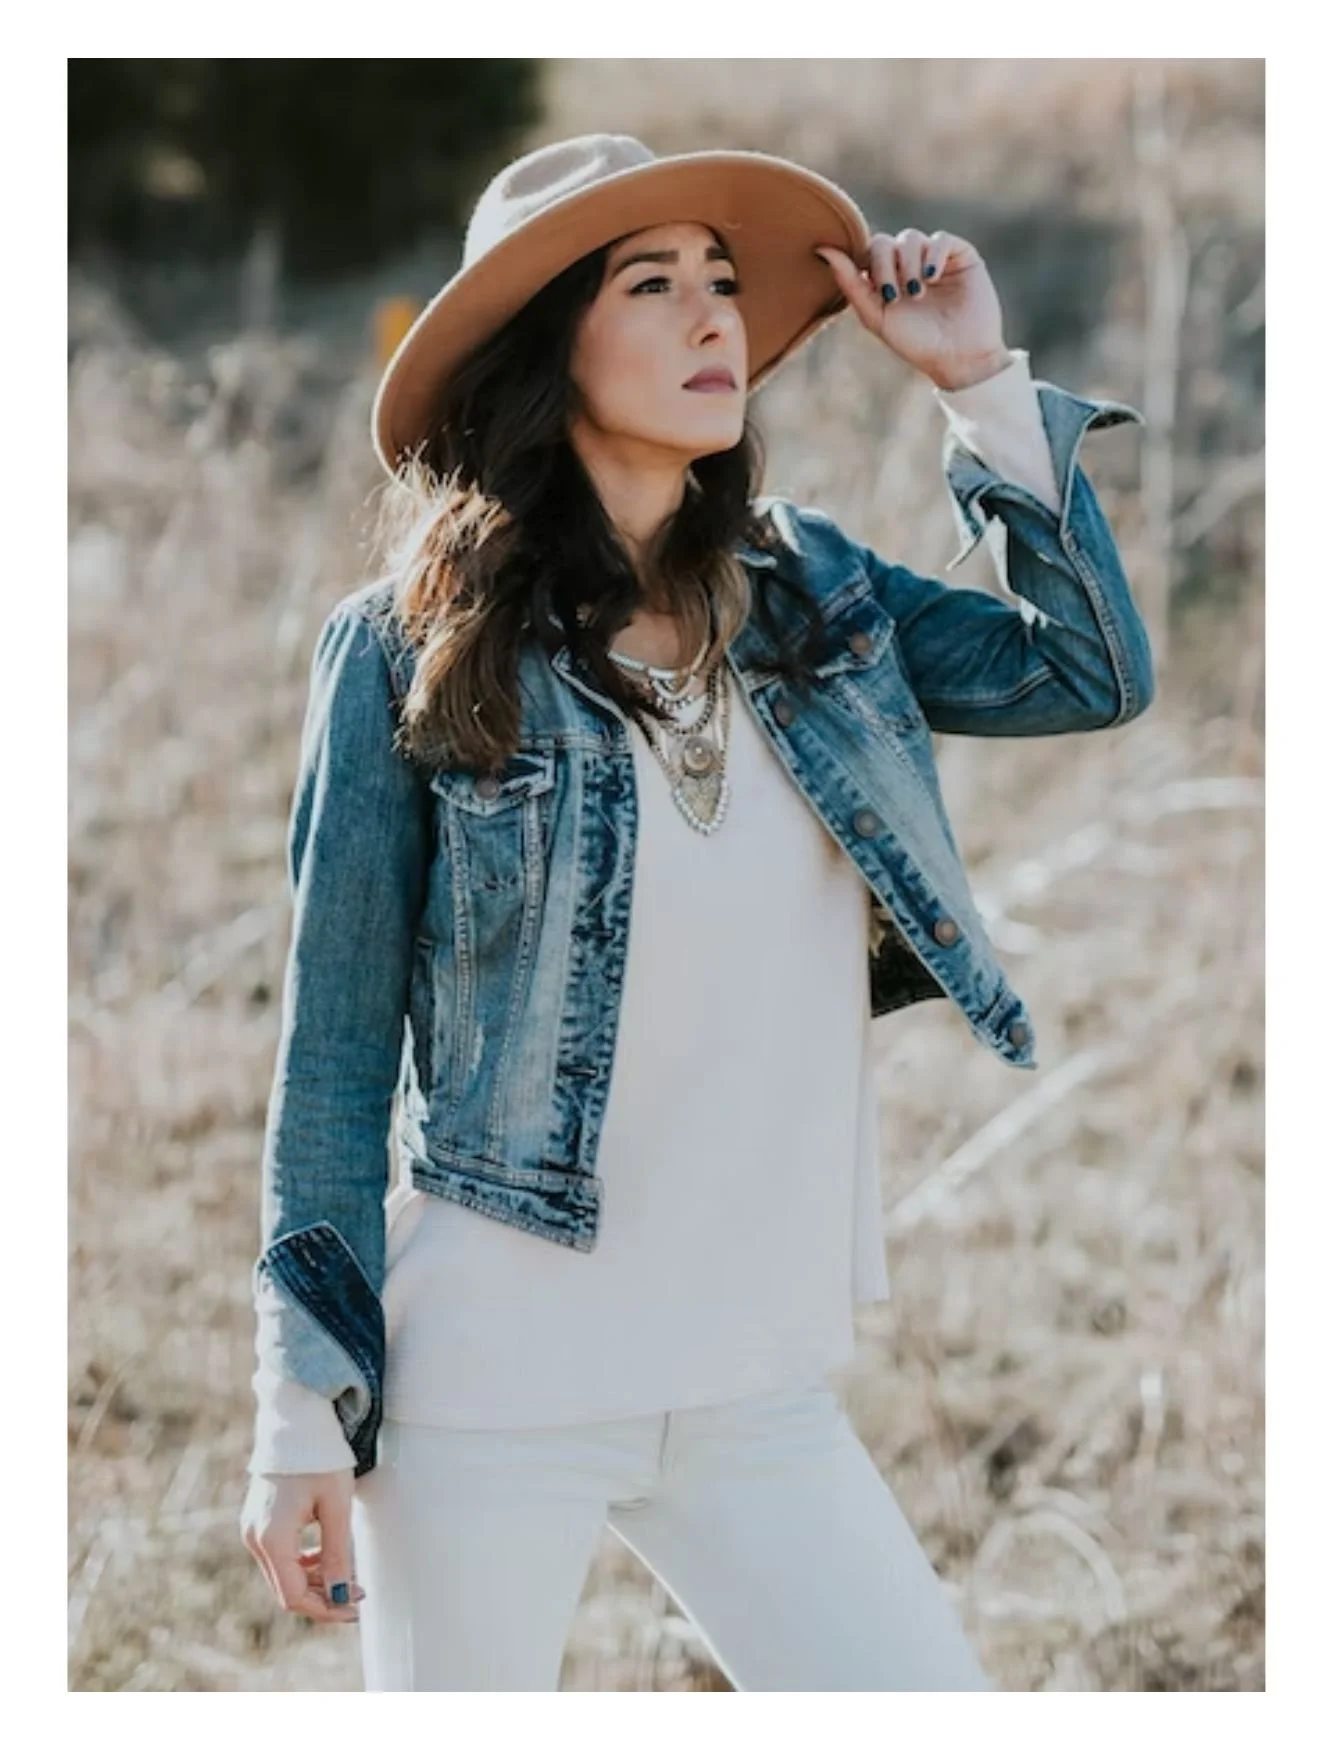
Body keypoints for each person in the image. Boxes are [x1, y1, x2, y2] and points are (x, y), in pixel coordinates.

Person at [237, 132, 1154, 1692]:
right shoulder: (404, 653)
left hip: (752, 1376)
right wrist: (298, 1409)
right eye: (650, 284)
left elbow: (1090, 670)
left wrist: (980, 382)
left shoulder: (814, 601)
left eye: (722, 281)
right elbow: (329, 1053)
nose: (713, 314)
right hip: (493, 1380)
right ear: (546, 342)